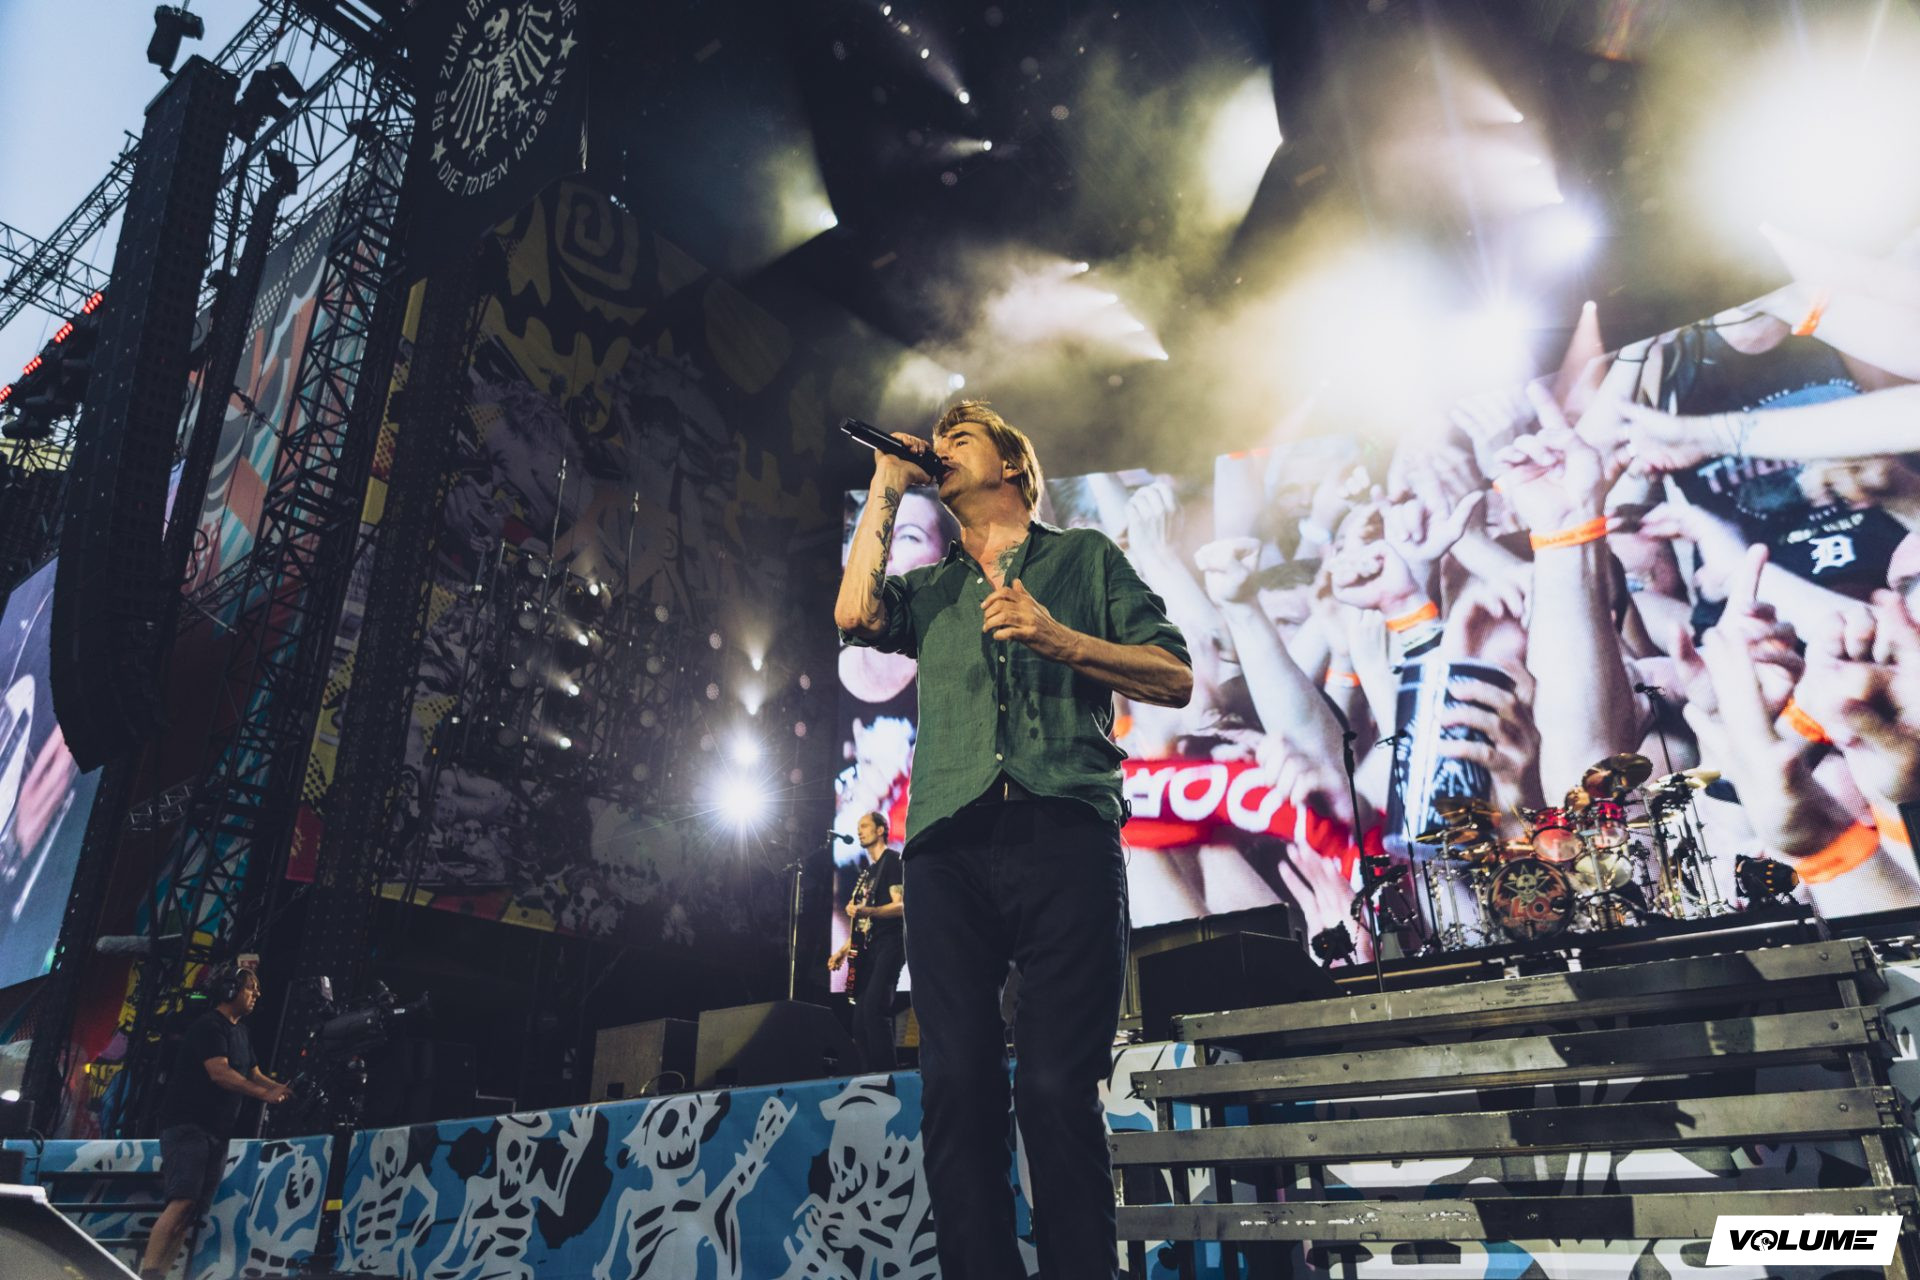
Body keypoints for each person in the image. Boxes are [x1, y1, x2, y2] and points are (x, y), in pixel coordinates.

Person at [834, 400, 1192, 1280]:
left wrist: (1056, 637)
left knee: (1053, 1087)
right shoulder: (932, 587)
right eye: (938, 442)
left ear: (1012, 467)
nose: (941, 448)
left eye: (961, 438)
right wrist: (886, 484)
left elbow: (1174, 674)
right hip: (946, 849)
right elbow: (853, 614)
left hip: (1063, 829)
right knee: (956, 1087)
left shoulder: (1085, 559)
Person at [138, 965, 292, 1280]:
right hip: (188, 1126)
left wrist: (281, 1088)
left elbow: (253, 1072)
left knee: (190, 1211)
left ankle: (159, 1274)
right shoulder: (209, 1027)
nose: (257, 994)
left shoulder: (241, 1032)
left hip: (216, 1131)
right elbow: (220, 1073)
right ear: (230, 991)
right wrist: (264, 1094)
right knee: (182, 1202)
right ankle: (148, 1273)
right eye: (250, 988)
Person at [828, 809, 906, 1072]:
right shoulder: (867, 873)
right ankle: (867, 1078)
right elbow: (862, 922)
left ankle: (887, 1076)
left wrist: (867, 911)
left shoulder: (892, 861)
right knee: (859, 1020)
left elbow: (901, 906)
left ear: (880, 829)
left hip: (891, 942)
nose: (859, 831)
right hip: (869, 947)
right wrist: (842, 950)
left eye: (864, 826)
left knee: (875, 1009)